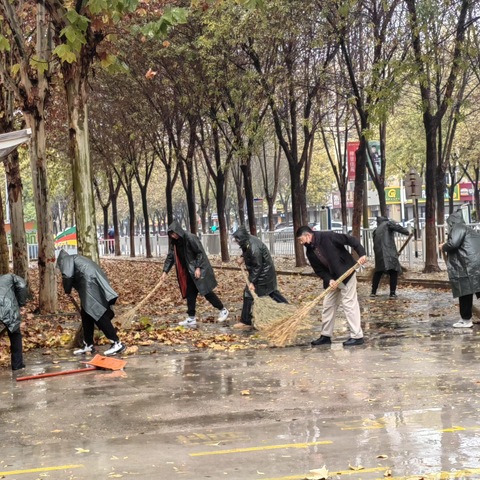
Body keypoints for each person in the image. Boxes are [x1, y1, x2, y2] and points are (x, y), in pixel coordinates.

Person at [296, 225, 367, 347]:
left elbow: (351, 240)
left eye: (301, 240)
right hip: (333, 280)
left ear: (308, 235)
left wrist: (362, 254)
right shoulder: (309, 251)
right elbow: (319, 270)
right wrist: (329, 280)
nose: (301, 243)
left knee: (349, 304)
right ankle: (325, 336)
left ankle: (357, 336)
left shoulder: (328, 236)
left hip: (346, 273)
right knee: (328, 305)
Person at [56, 250, 126, 356]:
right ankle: (88, 344)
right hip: (90, 282)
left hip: (89, 283)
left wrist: (67, 290)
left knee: (97, 312)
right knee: (86, 314)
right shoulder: (76, 258)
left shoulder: (66, 259)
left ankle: (116, 343)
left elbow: (67, 276)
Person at [161, 221, 229, 327]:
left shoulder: (190, 238)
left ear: (178, 231)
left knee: (206, 292)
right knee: (190, 294)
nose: (173, 236)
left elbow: (200, 253)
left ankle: (223, 310)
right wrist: (165, 271)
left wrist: (198, 267)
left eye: (174, 233)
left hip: (198, 270)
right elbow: (171, 257)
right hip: (188, 271)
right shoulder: (175, 243)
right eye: (171, 235)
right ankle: (191, 318)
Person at [232, 225, 288, 330]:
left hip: (263, 274)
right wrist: (242, 257)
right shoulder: (248, 241)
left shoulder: (253, 247)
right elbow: (246, 251)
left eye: (237, 239)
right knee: (272, 292)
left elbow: (258, 266)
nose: (236, 241)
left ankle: (246, 321)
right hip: (266, 273)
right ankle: (289, 309)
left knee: (248, 294)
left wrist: (252, 282)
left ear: (242, 238)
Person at [440, 210, 480, 328]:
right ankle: (465, 319)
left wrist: (443, 246)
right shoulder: (468, 229)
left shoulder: (458, 227)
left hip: (466, 265)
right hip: (475, 264)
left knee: (465, 292)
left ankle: (466, 320)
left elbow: (453, 244)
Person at [371, 216, 410, 298]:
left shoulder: (376, 230)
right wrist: (407, 232)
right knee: (393, 271)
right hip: (389, 253)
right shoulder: (388, 223)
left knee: (378, 272)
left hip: (379, 254)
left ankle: (373, 292)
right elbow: (398, 228)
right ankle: (392, 293)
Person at [0, 274, 28, 370]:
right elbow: (22, 286)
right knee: (15, 335)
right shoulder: (11, 277)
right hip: (8, 307)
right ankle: (17, 364)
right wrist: (21, 303)